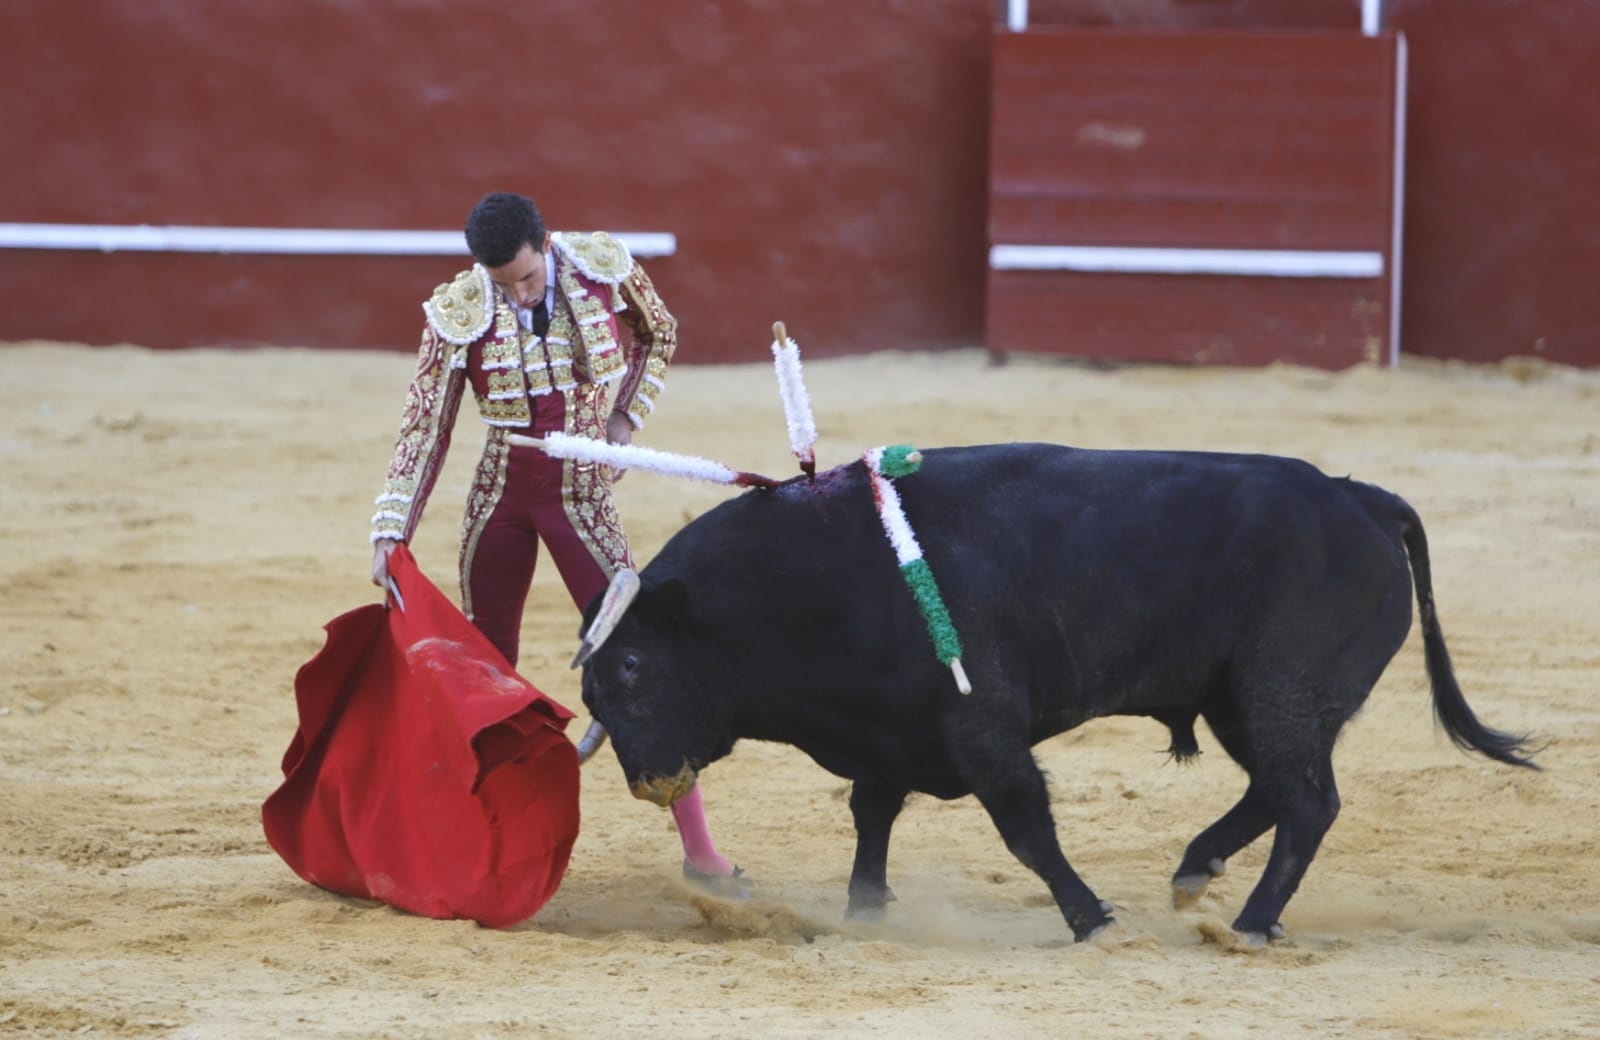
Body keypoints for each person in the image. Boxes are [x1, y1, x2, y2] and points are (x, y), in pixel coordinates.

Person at [368, 191, 742, 892]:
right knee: (483, 667)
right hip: (500, 494)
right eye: (501, 284)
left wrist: (627, 416)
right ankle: (469, 838)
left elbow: (658, 333)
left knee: (639, 659)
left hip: (580, 493)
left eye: (527, 278)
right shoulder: (461, 307)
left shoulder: (601, 268)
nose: (515, 293)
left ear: (545, 242)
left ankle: (701, 852)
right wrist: (392, 528)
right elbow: (427, 424)